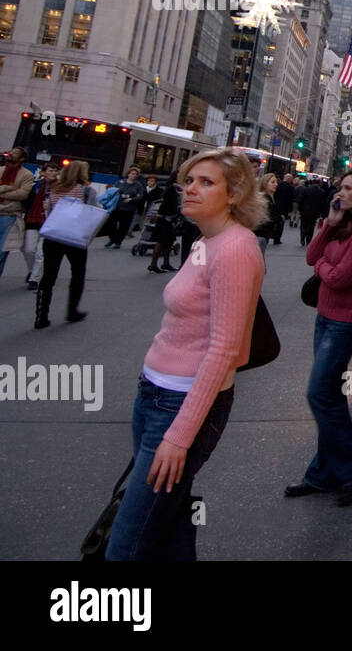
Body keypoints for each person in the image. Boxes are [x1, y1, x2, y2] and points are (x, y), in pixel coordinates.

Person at [104, 148, 265, 560]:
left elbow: (225, 348)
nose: (190, 188)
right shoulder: (206, 240)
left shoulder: (235, 249)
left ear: (234, 194)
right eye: (189, 180)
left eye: (206, 182)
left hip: (182, 405)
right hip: (154, 394)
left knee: (126, 546)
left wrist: (179, 435)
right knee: (170, 524)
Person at [286, 168, 352, 506]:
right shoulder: (343, 224)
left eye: (347, 188)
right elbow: (312, 256)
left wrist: (323, 269)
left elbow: (341, 277)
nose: (340, 193)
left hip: (348, 321)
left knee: (319, 394)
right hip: (326, 317)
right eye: (340, 187)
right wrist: (329, 223)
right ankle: (323, 474)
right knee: (329, 394)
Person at [35, 160, 98, 328]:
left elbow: (49, 210)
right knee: (77, 273)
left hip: (53, 236)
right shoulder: (85, 190)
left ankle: (41, 315)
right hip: (74, 237)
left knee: (48, 275)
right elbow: (93, 211)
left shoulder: (55, 188)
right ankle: (72, 311)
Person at [21, 163, 58, 290]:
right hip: (33, 219)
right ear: (43, 173)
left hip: (49, 222)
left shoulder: (59, 187)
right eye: (50, 170)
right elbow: (26, 200)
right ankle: (32, 271)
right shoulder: (35, 186)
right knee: (28, 249)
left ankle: (34, 279)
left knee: (40, 253)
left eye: (55, 171)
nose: (53, 173)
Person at [0, 146, 35, 279]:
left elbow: (23, 194)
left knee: (2, 251)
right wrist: (7, 187)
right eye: (11, 152)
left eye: (15, 153)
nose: (11, 154)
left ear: (21, 159)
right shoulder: (1, 170)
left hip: (10, 216)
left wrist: (3, 192)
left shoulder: (27, 175)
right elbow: (16, 191)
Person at [105, 166, 146, 248]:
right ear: (128, 174)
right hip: (116, 206)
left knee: (123, 226)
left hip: (128, 209)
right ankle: (113, 238)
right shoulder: (120, 182)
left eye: (135, 174)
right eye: (132, 174)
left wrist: (131, 199)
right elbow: (112, 190)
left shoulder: (138, 185)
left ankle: (118, 242)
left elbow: (140, 196)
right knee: (110, 224)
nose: (133, 176)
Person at [147, 174, 181, 274]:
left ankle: (165, 263)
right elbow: (169, 205)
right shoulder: (172, 190)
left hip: (167, 219)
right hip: (166, 219)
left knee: (168, 242)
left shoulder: (171, 189)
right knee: (162, 242)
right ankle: (153, 264)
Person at [251, 173, 281, 265]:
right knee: (258, 263)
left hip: (263, 234)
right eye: (273, 182)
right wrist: (279, 219)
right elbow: (263, 219)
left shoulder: (269, 198)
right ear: (265, 183)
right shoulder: (264, 198)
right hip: (260, 234)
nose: (276, 184)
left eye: (276, 182)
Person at [298, 178, 328, 246]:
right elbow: (323, 203)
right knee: (311, 226)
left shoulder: (306, 190)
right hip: (315, 212)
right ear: (319, 183)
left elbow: (301, 200)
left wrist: (300, 209)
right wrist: (323, 213)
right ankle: (308, 240)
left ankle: (302, 235)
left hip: (305, 210)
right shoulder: (321, 191)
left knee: (303, 224)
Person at [272, 172, 297, 244]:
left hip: (276, 205)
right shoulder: (290, 187)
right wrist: (289, 209)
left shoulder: (278, 185)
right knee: (281, 223)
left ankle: (273, 235)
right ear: (289, 179)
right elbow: (291, 199)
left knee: (274, 221)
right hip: (284, 208)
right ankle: (277, 238)